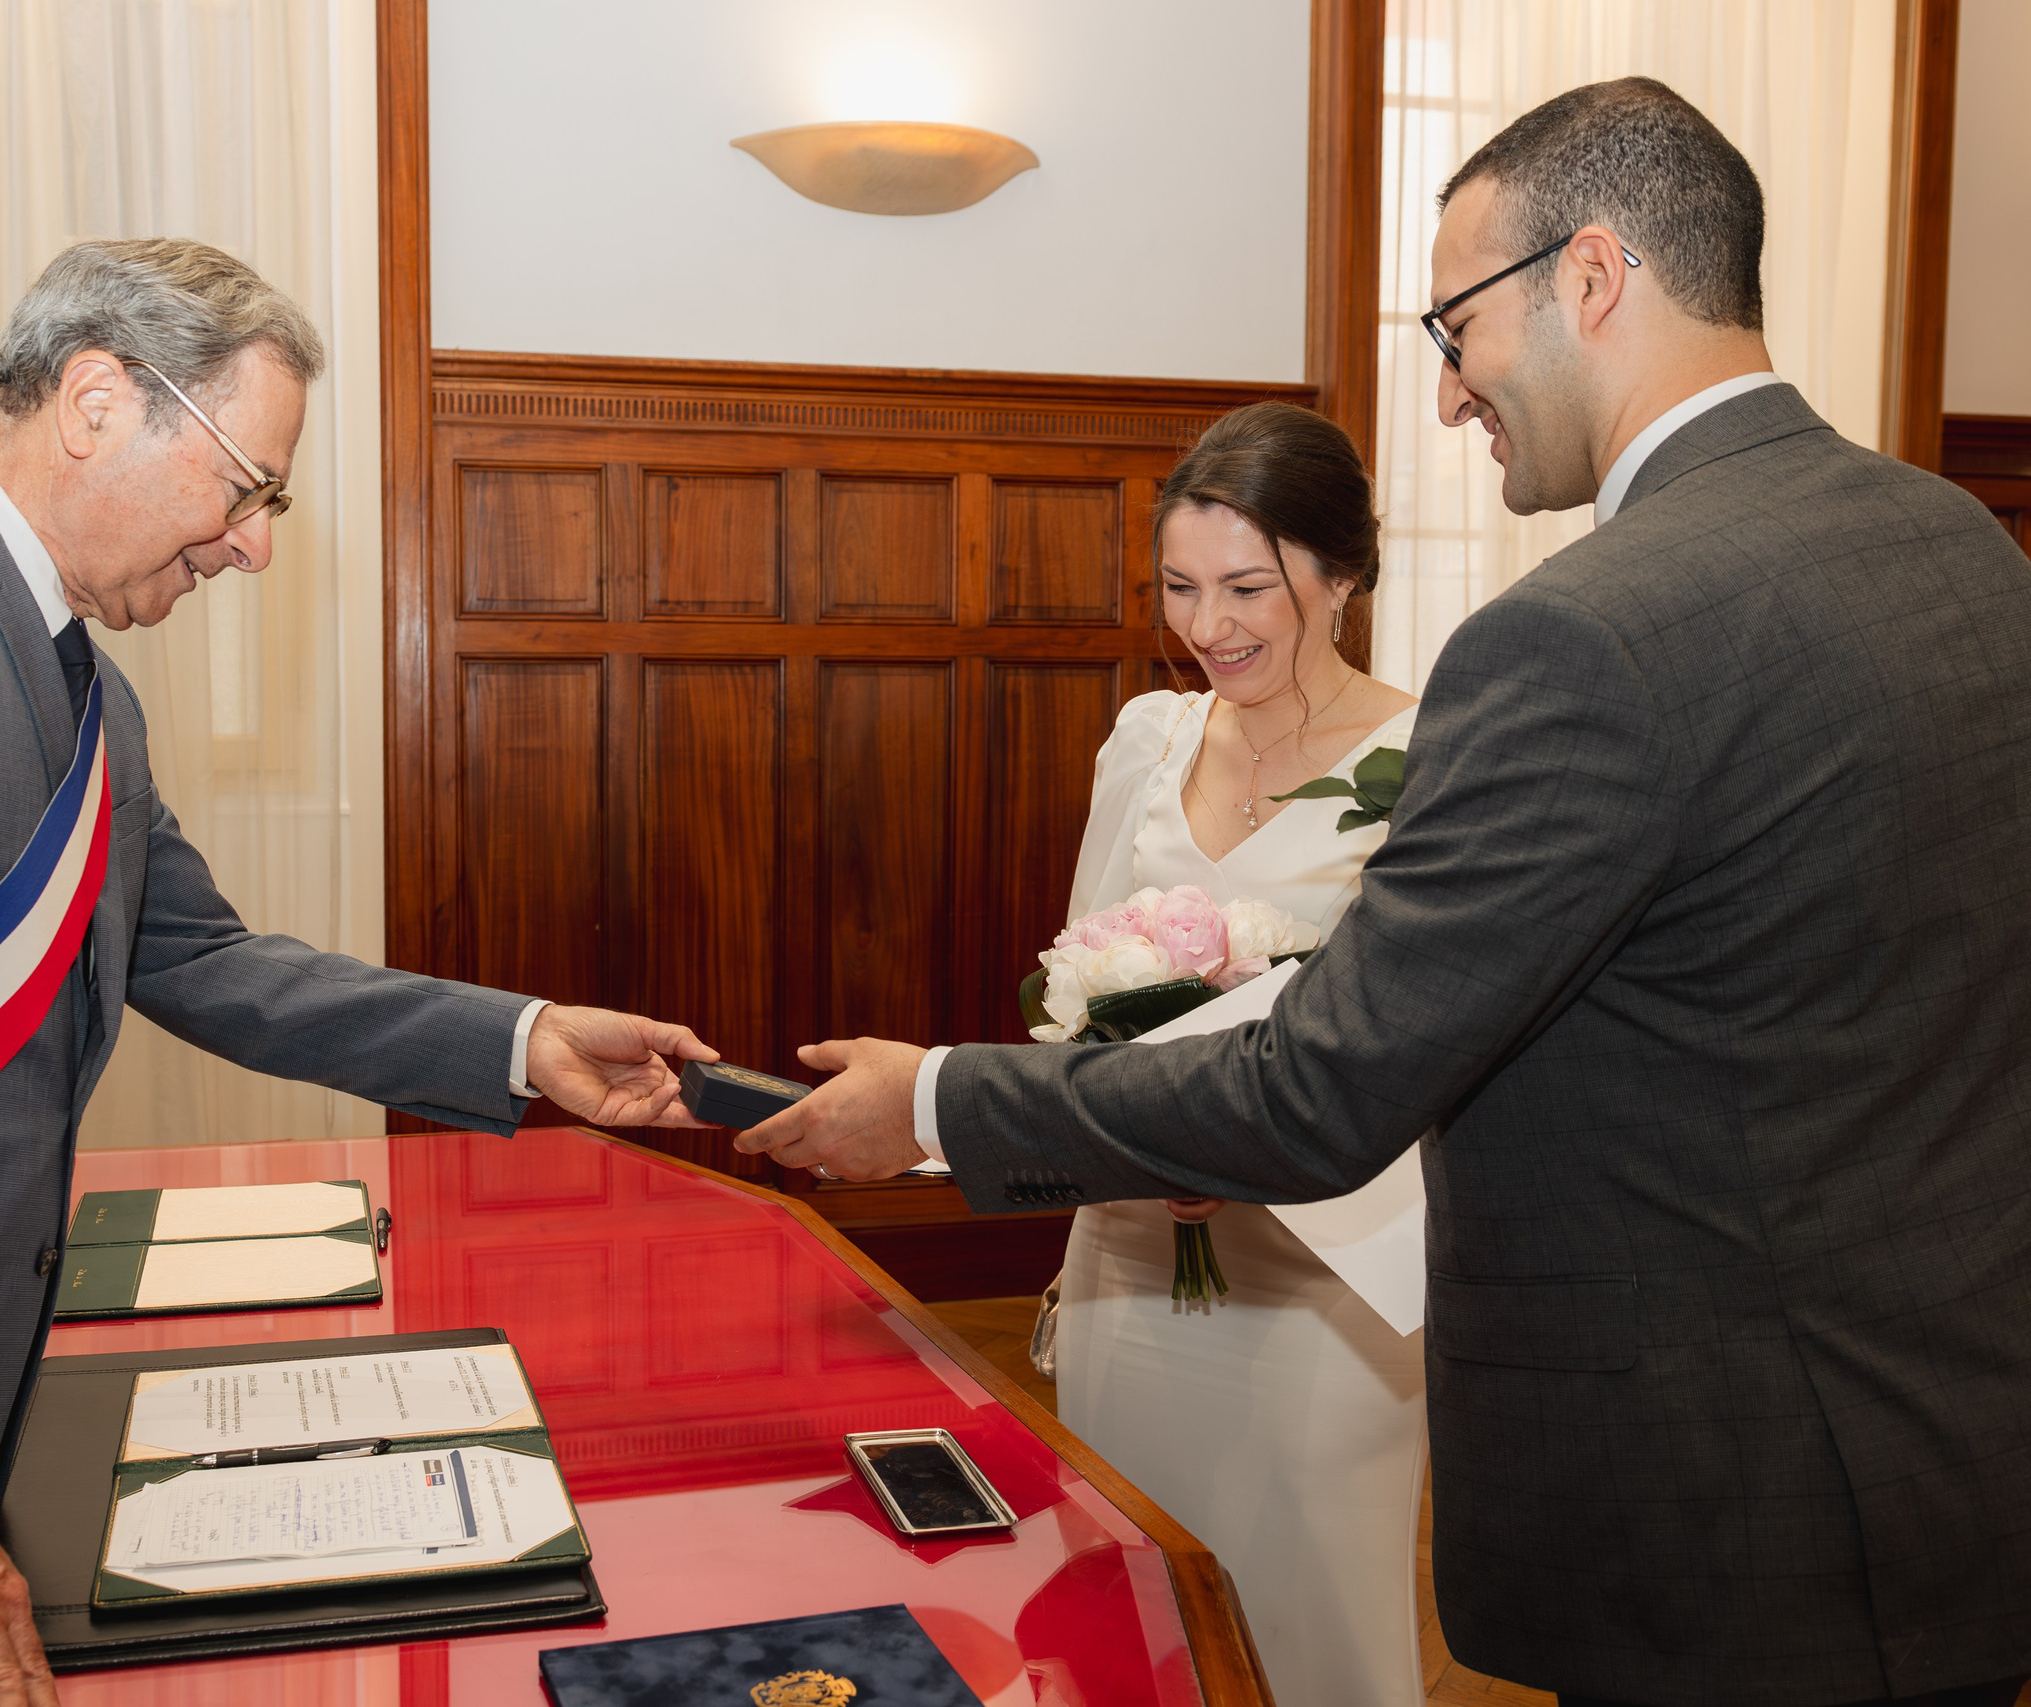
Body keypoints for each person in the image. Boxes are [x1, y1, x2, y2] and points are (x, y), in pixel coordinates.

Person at [742, 78, 2031, 1707]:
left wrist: (933, 1101)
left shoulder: (1590, 633)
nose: (1446, 394)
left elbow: (1333, 1083)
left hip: (1727, 1513)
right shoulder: (1963, 551)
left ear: (1591, 277)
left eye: (1458, 324)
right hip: (1959, 1465)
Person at [0, 239, 716, 1707]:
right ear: (96, 400)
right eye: (249, 485)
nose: (255, 545)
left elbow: (207, 960)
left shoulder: (84, 692)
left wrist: (521, 1040)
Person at [1041, 400, 1425, 1705]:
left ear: (1343, 574)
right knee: (1133, 1613)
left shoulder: (1424, 760)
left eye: (1250, 586)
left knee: (1319, 1625)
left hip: (1321, 1274)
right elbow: (1075, 979)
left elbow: (1426, 1034)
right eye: (1182, 588)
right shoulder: (1151, 740)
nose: (1212, 626)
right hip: (1134, 1250)